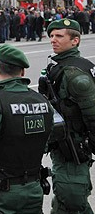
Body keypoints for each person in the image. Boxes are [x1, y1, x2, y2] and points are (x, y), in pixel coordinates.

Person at [0, 44, 53, 214]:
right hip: (33, 189)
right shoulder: (43, 102)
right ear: (22, 72)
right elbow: (46, 144)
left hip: (0, 193)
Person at [39, 19, 95, 214]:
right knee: (65, 201)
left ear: (75, 41)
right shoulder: (61, 66)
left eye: (59, 36)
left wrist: (86, 146)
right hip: (63, 145)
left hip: (73, 148)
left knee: (71, 198)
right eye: (52, 36)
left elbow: (93, 115)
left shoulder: (75, 74)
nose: (53, 40)